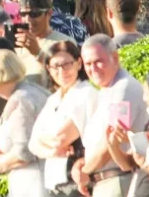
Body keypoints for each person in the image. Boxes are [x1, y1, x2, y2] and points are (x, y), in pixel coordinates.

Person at [73, 34, 149, 196]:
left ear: (114, 57)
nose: (92, 68)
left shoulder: (123, 89)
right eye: (88, 64)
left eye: (98, 61)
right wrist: (83, 164)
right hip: (108, 182)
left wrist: (85, 170)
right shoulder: (107, 89)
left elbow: (112, 140)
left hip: (120, 180)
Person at [28, 41, 97, 196]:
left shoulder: (85, 93)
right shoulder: (54, 99)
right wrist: (54, 150)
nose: (62, 71)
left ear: (79, 64)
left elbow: (61, 138)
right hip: (55, 178)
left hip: (76, 179)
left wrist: (45, 139)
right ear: (48, 69)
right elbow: (33, 143)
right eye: (55, 66)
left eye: (67, 64)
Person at [0, 49, 50, 197]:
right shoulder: (33, 90)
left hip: (33, 182)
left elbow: (24, 152)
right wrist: (0, 149)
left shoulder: (20, 101)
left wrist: (1, 163)